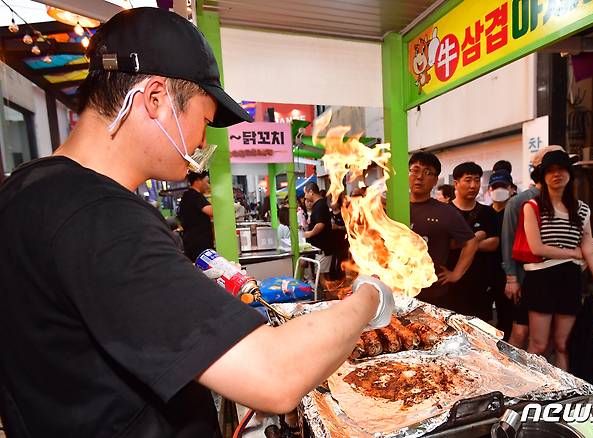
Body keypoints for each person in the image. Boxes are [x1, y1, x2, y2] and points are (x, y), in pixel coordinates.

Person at [0, 8, 395, 437]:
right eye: (203, 122)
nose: (202, 142)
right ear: (154, 99)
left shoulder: (27, 189)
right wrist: (369, 298)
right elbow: (274, 375)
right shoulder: (98, 216)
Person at [522, 150, 593, 370]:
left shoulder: (582, 209)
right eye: (550, 171)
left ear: (569, 174)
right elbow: (537, 248)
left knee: (563, 344)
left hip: (571, 280)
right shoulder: (533, 207)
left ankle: (563, 395)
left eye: (561, 169)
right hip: (541, 278)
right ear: (543, 176)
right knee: (538, 345)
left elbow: (590, 251)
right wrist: (573, 253)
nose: (556, 174)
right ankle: (527, 394)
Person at [501, 145, 563, 348]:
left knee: (549, 337)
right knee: (521, 332)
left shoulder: (565, 202)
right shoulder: (519, 202)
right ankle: (509, 375)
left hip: (557, 278)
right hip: (526, 277)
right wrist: (512, 278)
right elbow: (508, 241)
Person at [408, 152, 478, 309]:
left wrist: (456, 274)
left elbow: (471, 242)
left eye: (427, 173)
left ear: (435, 180)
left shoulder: (445, 212)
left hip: (433, 294)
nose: (419, 177)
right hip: (397, 291)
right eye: (415, 170)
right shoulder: (393, 208)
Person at [447, 162, 500, 320]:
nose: (473, 185)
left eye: (477, 180)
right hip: (452, 286)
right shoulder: (446, 212)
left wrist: (463, 243)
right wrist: (477, 237)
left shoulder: (488, 212)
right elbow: (448, 244)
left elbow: (493, 244)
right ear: (456, 183)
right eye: (468, 180)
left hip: (481, 284)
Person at [488, 170, 515, 338]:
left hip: (507, 274)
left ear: (511, 189)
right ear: (489, 190)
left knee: (507, 316)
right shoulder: (485, 213)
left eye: (503, 186)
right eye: (495, 186)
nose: (499, 190)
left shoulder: (515, 214)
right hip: (487, 273)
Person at [178, 171, 214, 261]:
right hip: (197, 243)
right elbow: (211, 211)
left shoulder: (190, 195)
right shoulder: (193, 195)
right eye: (207, 181)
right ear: (198, 180)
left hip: (196, 241)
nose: (208, 185)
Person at [303, 182, 334, 288]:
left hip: (323, 249)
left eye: (305, 193)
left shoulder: (320, 205)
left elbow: (320, 225)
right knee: (321, 277)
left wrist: (309, 234)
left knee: (322, 277)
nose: (305, 197)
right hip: (321, 248)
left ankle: (330, 297)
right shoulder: (318, 205)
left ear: (311, 192)